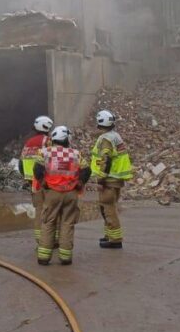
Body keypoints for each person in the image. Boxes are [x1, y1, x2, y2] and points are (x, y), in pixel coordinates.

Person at [34, 125, 90, 266]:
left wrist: (43, 183)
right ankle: (65, 258)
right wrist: (80, 182)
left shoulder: (44, 152)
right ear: (67, 139)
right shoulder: (76, 154)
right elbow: (87, 170)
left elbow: (37, 169)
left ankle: (44, 257)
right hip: (71, 193)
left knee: (48, 222)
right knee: (67, 223)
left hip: (52, 193)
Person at [89, 109, 133, 249]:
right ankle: (109, 235)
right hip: (116, 179)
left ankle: (115, 239)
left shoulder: (106, 139)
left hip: (109, 180)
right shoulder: (115, 136)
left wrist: (101, 178)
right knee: (107, 208)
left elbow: (105, 159)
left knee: (109, 209)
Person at [21, 115, 53, 251]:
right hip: (46, 182)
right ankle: (50, 240)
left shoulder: (28, 142)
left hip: (33, 183)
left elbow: (20, 163)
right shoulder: (48, 141)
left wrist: (27, 178)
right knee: (51, 210)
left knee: (38, 211)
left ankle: (40, 241)